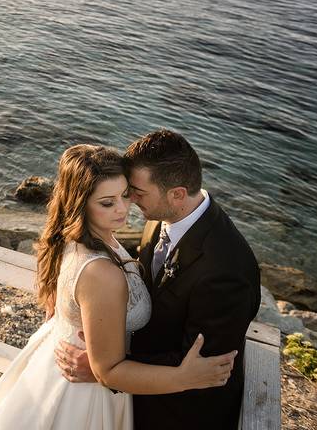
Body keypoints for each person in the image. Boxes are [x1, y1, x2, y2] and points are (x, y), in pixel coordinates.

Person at [0, 144, 237, 430]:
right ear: (81, 204)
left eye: (124, 195)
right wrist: (185, 378)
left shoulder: (74, 236)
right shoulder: (101, 273)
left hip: (57, 365)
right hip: (83, 395)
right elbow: (107, 371)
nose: (123, 209)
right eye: (107, 203)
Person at [55, 130, 262, 429]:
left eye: (136, 192)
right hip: (131, 398)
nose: (129, 201)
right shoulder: (162, 218)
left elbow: (203, 366)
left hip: (180, 414)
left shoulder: (226, 270)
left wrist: (109, 366)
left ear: (177, 193)